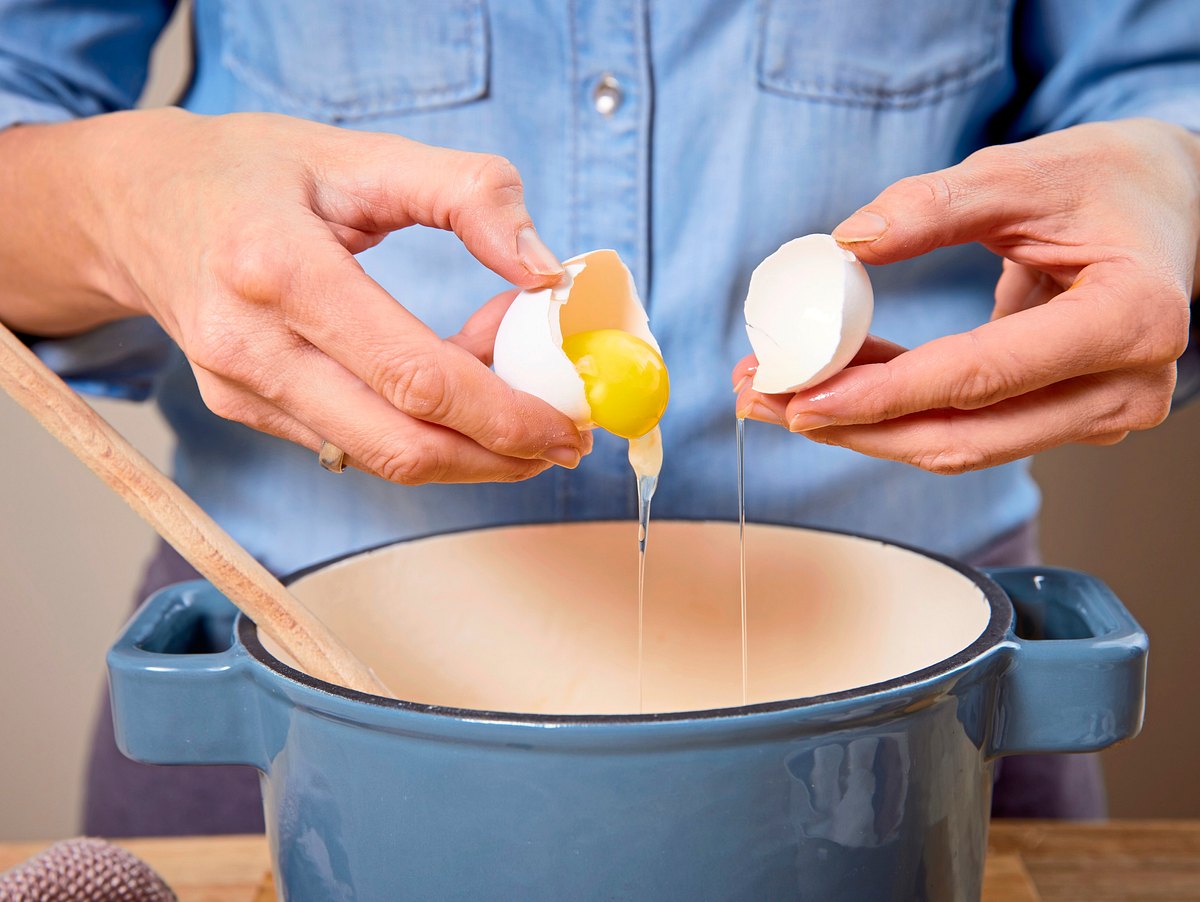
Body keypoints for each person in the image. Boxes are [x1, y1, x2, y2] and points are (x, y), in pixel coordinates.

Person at [0, 1, 1196, 836]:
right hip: (293, 671)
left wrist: (1175, 184)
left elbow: (1161, 85)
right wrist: (123, 204)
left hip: (917, 698)